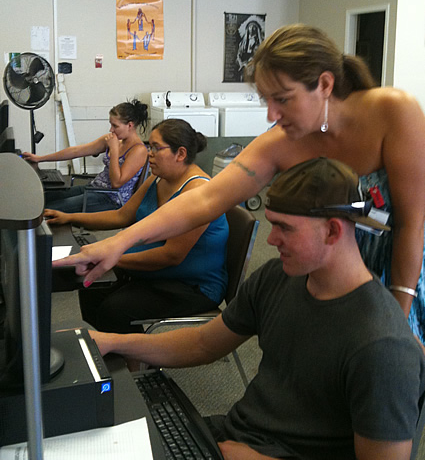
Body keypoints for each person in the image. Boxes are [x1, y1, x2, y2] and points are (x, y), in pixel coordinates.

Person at [53, 24, 425, 344]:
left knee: (394, 377)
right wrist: (119, 243)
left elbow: (411, 225)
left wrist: (397, 315)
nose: (271, 115)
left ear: (324, 84)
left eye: (282, 99)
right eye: (265, 100)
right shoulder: (281, 142)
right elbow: (205, 199)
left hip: (398, 269)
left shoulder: (392, 112)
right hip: (328, 269)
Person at [89, 157, 425, 460]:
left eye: (285, 228)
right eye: (272, 223)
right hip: (234, 437)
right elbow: (203, 343)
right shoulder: (280, 275)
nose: (270, 240)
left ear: (333, 230)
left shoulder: (382, 345)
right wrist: (113, 342)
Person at [46, 119, 228, 333]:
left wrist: (112, 258)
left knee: (115, 309)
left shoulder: (197, 194)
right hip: (156, 271)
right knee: (93, 285)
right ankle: (106, 354)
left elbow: (171, 255)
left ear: (180, 154)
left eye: (156, 148)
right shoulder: (158, 179)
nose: (149, 153)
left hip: (191, 285)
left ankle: (132, 361)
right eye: (149, 146)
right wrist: (70, 217)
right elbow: (121, 216)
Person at [23, 99, 149, 213]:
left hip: (112, 199)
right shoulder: (113, 140)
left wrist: (114, 151)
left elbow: (117, 183)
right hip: (94, 188)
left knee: (47, 210)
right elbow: (76, 151)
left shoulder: (138, 150)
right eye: (111, 124)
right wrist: (40, 158)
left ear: (130, 125)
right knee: (43, 199)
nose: (111, 130)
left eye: (115, 126)